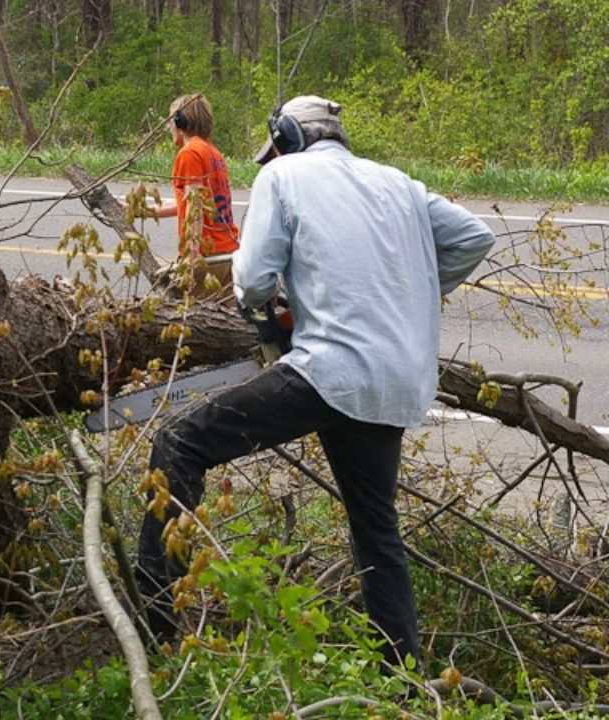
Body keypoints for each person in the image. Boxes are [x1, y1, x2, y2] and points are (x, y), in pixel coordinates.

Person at [136, 94, 496, 669]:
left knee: (180, 443)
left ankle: (155, 630)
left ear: (287, 137)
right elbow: (476, 237)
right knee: (377, 535)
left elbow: (252, 279)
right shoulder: (399, 183)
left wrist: (272, 309)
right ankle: (400, 681)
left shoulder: (283, 174)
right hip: (395, 386)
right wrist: (414, 291)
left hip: (328, 370)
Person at [146, 93, 239, 299]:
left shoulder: (190, 153)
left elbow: (194, 205)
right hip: (227, 254)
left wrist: (191, 253)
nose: (169, 128)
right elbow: (190, 202)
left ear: (180, 121)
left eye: (171, 121)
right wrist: (142, 211)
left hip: (206, 257)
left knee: (189, 322)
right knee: (224, 322)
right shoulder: (213, 153)